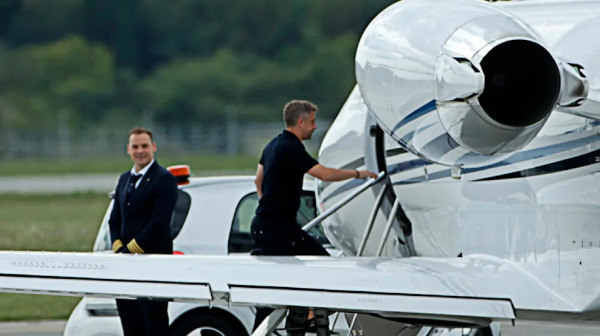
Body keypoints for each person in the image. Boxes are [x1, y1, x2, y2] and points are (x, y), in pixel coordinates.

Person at [251, 100, 378, 335]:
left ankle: (298, 317)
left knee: (276, 284)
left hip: (265, 225)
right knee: (324, 265)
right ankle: (305, 317)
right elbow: (324, 174)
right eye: (311, 122)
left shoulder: (272, 145)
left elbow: (258, 180)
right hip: (279, 229)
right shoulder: (291, 148)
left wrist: (268, 204)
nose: (315, 127)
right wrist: (358, 173)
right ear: (300, 122)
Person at [109, 127, 178, 336]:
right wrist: (119, 249)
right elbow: (114, 220)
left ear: (153, 147)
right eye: (135, 147)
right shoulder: (124, 180)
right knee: (130, 322)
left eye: (144, 146)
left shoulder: (164, 179)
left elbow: (159, 224)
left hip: (152, 263)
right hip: (126, 265)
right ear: (128, 150)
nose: (140, 151)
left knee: (153, 322)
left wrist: (131, 251)